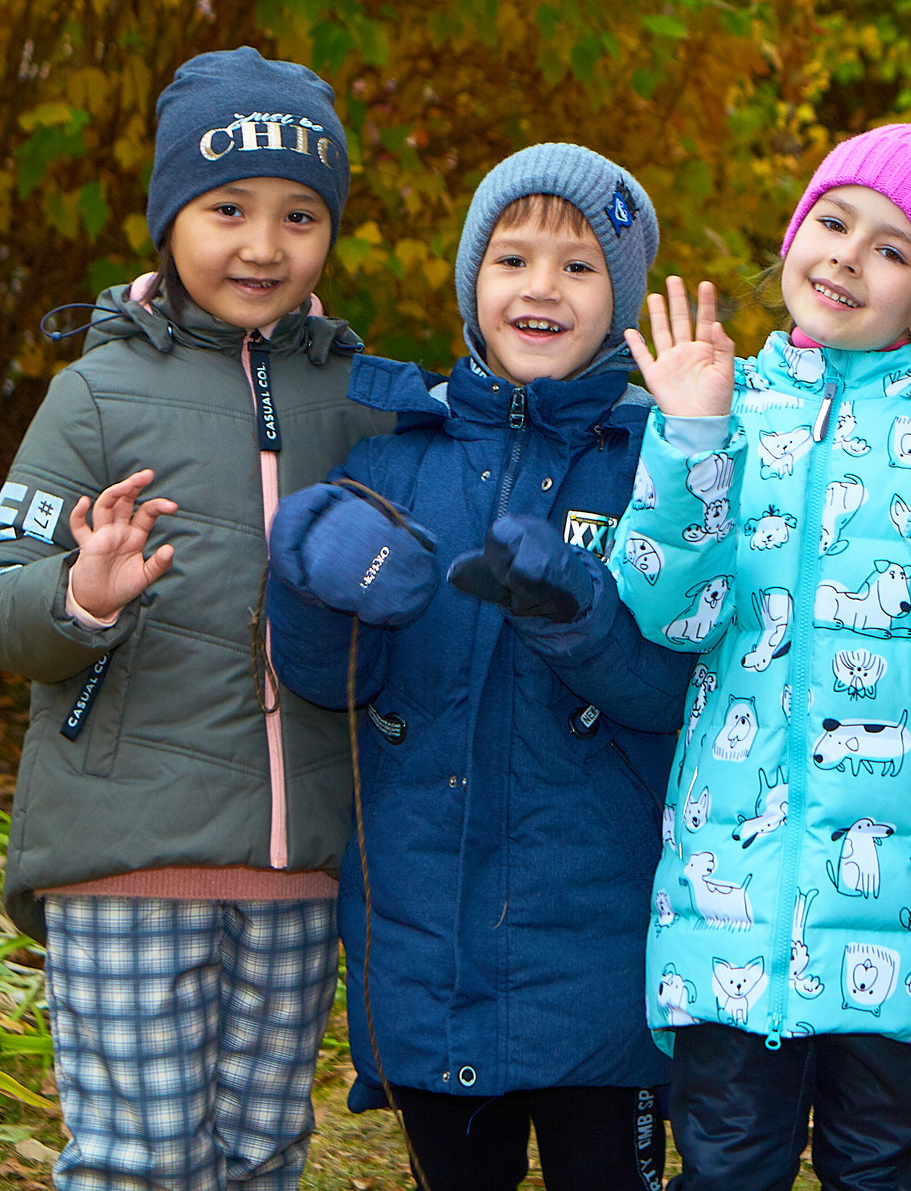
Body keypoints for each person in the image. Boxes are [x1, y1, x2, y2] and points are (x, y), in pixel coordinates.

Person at [595, 107, 911, 1191]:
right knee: (724, 1160)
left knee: (881, 1162)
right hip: (729, 900)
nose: (847, 257)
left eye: (891, 248)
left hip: (907, 909)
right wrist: (691, 442)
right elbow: (668, 615)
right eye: (834, 222)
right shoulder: (726, 402)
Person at [0, 47, 393, 1191]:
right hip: (126, 850)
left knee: (262, 1155)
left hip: (299, 864)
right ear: (170, 219)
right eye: (227, 207)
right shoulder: (93, 394)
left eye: (301, 214)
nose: (263, 243)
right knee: (138, 1162)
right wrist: (79, 595)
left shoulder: (355, 401)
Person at [263, 145, 694, 1190]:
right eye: (511, 258)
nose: (540, 287)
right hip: (429, 952)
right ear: (471, 282)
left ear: (623, 298)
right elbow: (333, 684)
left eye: (579, 265)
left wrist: (579, 617)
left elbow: (678, 693)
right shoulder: (390, 461)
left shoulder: (665, 467)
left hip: (604, 955)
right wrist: (314, 591)